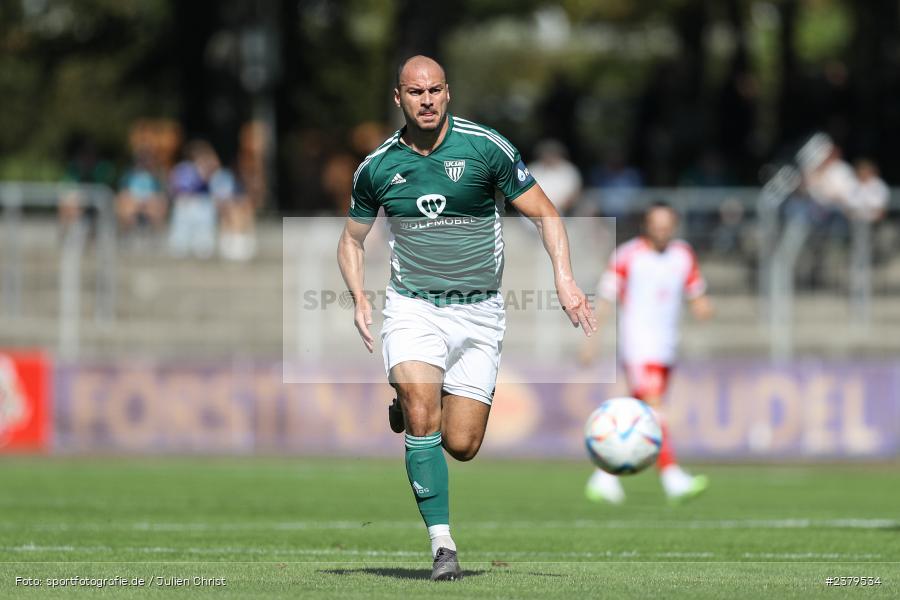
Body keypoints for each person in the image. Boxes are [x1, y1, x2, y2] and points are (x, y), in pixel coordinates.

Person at [337, 55, 596, 581]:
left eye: (434, 90)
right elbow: (350, 239)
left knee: (462, 444)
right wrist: (359, 297)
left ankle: (412, 411)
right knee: (421, 410)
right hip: (413, 306)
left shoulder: (485, 147)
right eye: (415, 92)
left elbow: (546, 213)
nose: (426, 100)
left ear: (448, 93)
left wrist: (564, 278)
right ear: (399, 99)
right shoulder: (378, 167)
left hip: (479, 312)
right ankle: (442, 546)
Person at [580, 201, 713, 505]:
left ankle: (603, 477)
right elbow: (605, 298)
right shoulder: (628, 255)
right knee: (655, 411)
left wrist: (704, 307)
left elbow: (697, 295)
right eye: (657, 224)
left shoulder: (683, 255)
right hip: (639, 346)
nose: (662, 230)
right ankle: (673, 478)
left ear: (674, 226)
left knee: (641, 414)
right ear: (647, 225)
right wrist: (591, 341)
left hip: (667, 347)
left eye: (667, 224)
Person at [528, 139, 582, 215]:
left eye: (552, 154)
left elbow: (575, 193)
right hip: (534, 211)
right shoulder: (533, 169)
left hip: (563, 212)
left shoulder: (569, 170)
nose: (549, 157)